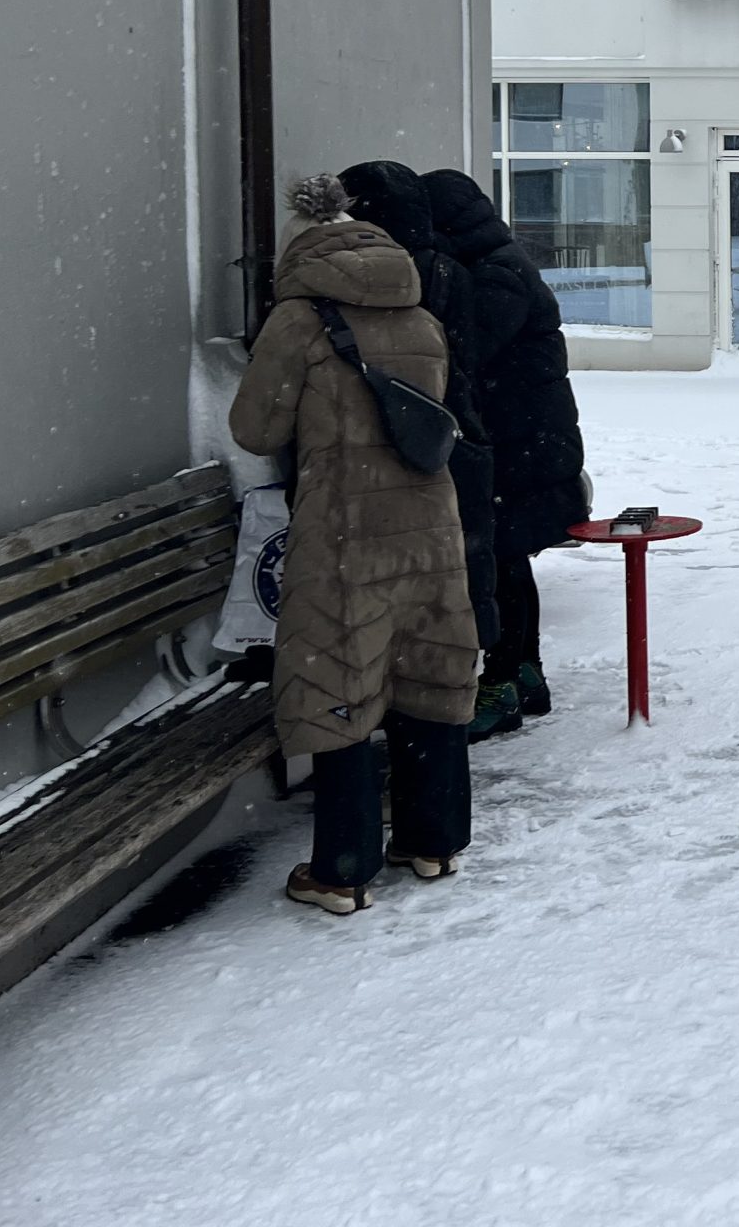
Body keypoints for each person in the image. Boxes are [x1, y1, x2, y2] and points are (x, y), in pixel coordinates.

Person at [229, 175, 479, 915]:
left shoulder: (299, 321)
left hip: (344, 532)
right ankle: (432, 841)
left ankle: (342, 869)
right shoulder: (419, 316)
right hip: (429, 525)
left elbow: (254, 430)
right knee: (426, 667)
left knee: (337, 675)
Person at [340, 160, 511, 734]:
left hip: (413, 450)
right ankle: (453, 714)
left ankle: (453, 709)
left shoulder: (392, 281)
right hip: (455, 438)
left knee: (430, 590)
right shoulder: (449, 271)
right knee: (455, 586)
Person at [423, 167, 590, 728]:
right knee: (508, 564)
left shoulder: (497, 275)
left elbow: (466, 349)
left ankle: (505, 684)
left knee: (499, 568)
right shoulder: (499, 263)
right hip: (526, 444)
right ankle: (522, 676)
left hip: (519, 449)